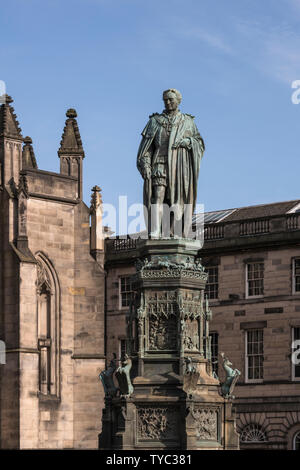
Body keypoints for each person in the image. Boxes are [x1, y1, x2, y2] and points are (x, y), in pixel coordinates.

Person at [137, 88, 205, 238]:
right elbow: (146, 149)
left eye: (171, 100)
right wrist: (146, 165)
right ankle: (156, 230)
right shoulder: (154, 122)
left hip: (179, 168)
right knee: (158, 196)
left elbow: (199, 143)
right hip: (159, 164)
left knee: (178, 200)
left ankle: (175, 231)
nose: (168, 102)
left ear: (178, 101)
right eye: (165, 100)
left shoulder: (187, 121)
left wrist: (188, 142)